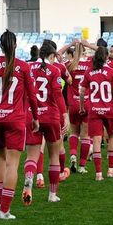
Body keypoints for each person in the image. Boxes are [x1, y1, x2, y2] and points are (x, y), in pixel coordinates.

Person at [0, 30, 39, 220]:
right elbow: (32, 95)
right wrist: (35, 118)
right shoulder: (23, 67)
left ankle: (0, 204)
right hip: (16, 120)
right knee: (13, 163)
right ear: (15, 45)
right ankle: (4, 210)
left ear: (1, 46)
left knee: (1, 159)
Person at [24, 39, 68, 203]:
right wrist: (65, 115)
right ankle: (52, 194)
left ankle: (29, 179)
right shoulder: (54, 69)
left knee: (31, 156)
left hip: (33, 116)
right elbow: (57, 94)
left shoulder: (28, 68)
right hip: (51, 116)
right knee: (54, 156)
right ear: (50, 55)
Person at [80, 42, 113, 181]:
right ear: (106, 58)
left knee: (97, 140)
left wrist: (81, 107)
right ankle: (111, 170)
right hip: (109, 110)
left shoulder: (89, 72)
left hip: (94, 110)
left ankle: (98, 173)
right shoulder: (112, 72)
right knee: (111, 137)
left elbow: (82, 92)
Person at [64, 43, 90, 175]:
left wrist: (71, 44)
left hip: (73, 103)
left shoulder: (69, 64)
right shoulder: (90, 64)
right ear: (85, 52)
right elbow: (103, 52)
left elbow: (56, 54)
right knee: (85, 136)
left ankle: (73, 154)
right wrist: (85, 43)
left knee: (74, 133)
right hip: (86, 103)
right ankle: (82, 166)